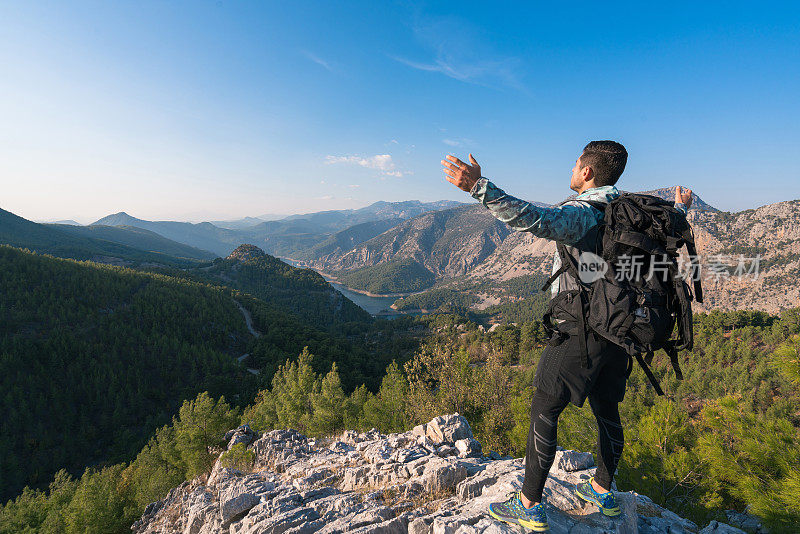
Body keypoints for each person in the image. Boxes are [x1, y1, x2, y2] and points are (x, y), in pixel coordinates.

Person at [441, 141, 693, 531]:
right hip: (622, 331)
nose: (572, 169)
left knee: (544, 408)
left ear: (587, 172)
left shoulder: (584, 213)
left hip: (582, 330)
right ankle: (603, 490)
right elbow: (668, 229)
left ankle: (529, 505)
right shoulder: (631, 212)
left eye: (576, 164)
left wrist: (479, 188)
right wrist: (681, 207)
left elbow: (535, 219)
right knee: (607, 408)